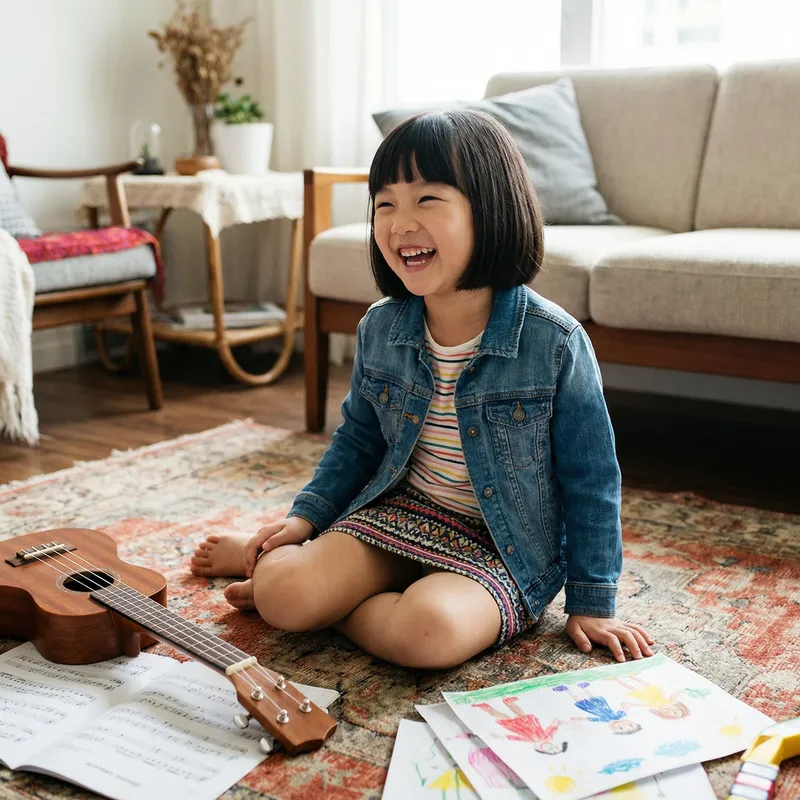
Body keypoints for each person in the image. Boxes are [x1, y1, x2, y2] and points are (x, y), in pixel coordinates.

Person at [190, 109, 654, 669]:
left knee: (427, 633)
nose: (399, 223)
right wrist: (307, 519)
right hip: (401, 512)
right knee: (286, 596)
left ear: (491, 211)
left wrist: (591, 600)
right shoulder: (381, 327)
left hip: (500, 548)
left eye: (427, 200)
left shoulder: (554, 342)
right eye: (385, 205)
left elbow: (592, 479)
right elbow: (358, 442)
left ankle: (312, 591)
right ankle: (280, 566)